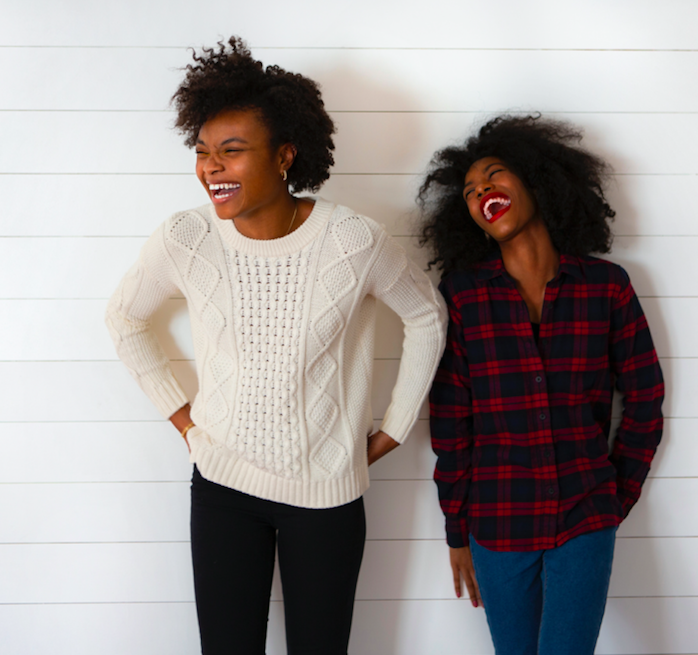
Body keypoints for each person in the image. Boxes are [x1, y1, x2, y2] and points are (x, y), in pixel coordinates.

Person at [106, 37, 446, 654]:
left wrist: (394, 428)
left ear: (285, 155)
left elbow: (426, 315)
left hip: (327, 495)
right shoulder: (185, 237)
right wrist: (185, 421)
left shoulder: (353, 240)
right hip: (222, 488)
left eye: (232, 152)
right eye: (204, 152)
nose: (212, 167)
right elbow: (125, 319)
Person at [419, 115, 664, 655]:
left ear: (537, 181)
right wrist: (457, 530)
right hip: (498, 523)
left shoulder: (607, 288)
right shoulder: (461, 297)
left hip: (586, 517)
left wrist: (614, 496)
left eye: (495, 174)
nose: (482, 189)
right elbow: (451, 423)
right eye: (470, 190)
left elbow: (646, 399)